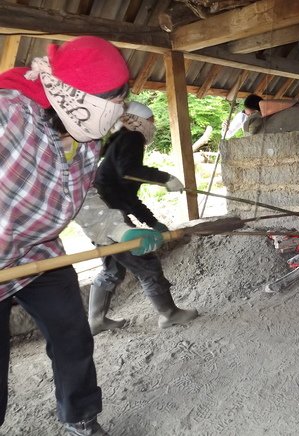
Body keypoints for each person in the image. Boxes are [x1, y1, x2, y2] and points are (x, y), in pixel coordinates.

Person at [0, 36, 164, 436]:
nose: (110, 122)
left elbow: (82, 198)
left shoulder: (86, 142)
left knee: (73, 336)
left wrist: (121, 229)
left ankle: (81, 418)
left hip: (39, 256)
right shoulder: (9, 115)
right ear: (72, 99)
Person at [88, 101, 198, 336]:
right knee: (147, 264)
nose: (153, 126)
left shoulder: (117, 143)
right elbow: (129, 172)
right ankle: (170, 314)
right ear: (140, 121)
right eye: (151, 121)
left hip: (101, 216)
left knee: (113, 271)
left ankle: (96, 320)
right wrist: (164, 177)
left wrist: (151, 222)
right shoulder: (132, 138)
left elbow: (128, 196)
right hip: (110, 218)